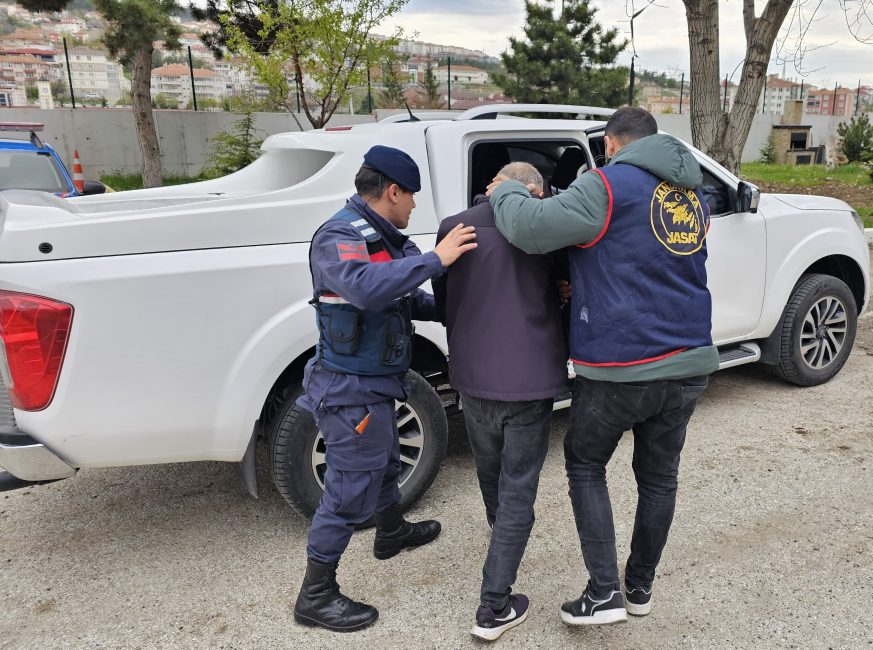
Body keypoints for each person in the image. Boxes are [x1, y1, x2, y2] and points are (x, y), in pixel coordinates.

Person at [487, 107, 717, 626]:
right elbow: (645, 258)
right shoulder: (690, 194)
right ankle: (639, 588)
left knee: (586, 464)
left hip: (623, 365)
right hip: (689, 359)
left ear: (612, 143)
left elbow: (530, 227)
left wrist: (506, 188)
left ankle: (604, 592)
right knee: (659, 478)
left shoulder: (607, 185)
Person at [293, 145, 477, 632]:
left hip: (376, 382)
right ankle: (315, 595)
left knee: (387, 460)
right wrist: (437, 258)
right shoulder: (340, 236)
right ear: (392, 191)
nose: (414, 205)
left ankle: (390, 533)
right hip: (349, 387)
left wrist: (458, 308)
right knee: (349, 489)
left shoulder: (387, 236)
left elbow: (405, 297)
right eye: (411, 196)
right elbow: (365, 287)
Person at [432, 162, 569, 641]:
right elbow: (565, 291)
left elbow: (445, 297)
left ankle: (501, 546)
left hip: (472, 379)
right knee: (519, 489)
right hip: (528, 383)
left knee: (491, 475)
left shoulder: (454, 227)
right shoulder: (544, 229)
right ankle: (494, 605)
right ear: (531, 190)